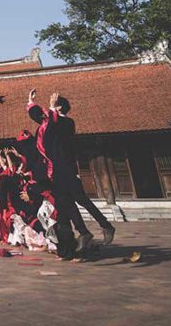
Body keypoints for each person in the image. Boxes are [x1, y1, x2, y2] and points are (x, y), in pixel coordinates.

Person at [28, 89, 115, 249]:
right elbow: (40, 118)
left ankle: (106, 225)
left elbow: (49, 131)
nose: (48, 109)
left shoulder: (66, 123)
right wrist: (31, 101)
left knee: (81, 199)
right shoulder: (50, 121)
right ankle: (81, 234)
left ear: (59, 108)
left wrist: (52, 108)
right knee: (65, 205)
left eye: (53, 107)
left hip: (65, 168)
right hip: (54, 172)